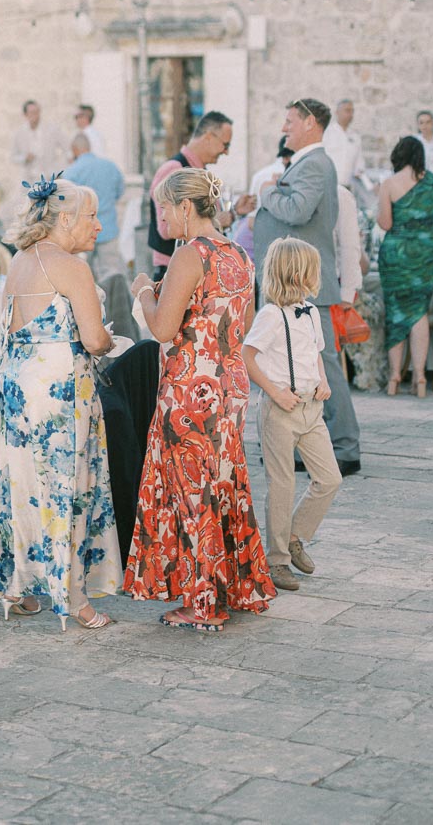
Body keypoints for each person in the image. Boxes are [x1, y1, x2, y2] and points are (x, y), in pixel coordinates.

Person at [0, 175, 122, 630]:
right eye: (92, 217)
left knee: (20, 482)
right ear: (66, 219)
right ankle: (75, 598)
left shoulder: (20, 259)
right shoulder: (71, 267)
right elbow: (94, 340)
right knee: (65, 487)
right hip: (58, 393)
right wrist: (112, 338)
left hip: (19, 384)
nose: (98, 226)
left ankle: (17, 586)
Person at [127, 168, 275, 631]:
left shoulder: (190, 256)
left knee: (191, 492)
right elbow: (241, 326)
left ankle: (202, 603)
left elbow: (163, 329)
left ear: (186, 208)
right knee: (221, 486)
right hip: (229, 387)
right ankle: (230, 587)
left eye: (165, 208)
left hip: (192, 389)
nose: (163, 217)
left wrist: (143, 293)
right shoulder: (239, 256)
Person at [241, 97, 362, 476]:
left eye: (290, 120)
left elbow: (297, 211)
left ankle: (345, 446)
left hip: (306, 284)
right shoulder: (308, 163)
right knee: (291, 363)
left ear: (310, 122)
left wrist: (267, 192)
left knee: (323, 362)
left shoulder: (315, 164)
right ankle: (298, 446)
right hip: (293, 284)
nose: (284, 127)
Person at [242, 239, 342, 593]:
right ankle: (277, 560)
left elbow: (315, 353)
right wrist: (274, 392)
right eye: (313, 269)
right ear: (298, 273)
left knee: (329, 478)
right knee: (282, 485)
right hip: (279, 410)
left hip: (311, 408)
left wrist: (324, 382)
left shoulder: (311, 312)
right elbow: (247, 356)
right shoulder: (270, 315)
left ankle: (295, 535)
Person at [378, 135, 433, 398]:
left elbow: (385, 224)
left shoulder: (389, 184)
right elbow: (432, 215)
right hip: (426, 253)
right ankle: (420, 378)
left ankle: (394, 378)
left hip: (396, 254)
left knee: (396, 312)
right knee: (419, 313)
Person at [148, 110, 234, 279]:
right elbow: (166, 229)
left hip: (194, 268)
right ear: (209, 137)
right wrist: (216, 223)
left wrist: (235, 212)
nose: (226, 152)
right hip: (177, 272)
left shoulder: (198, 171)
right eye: (226, 145)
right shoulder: (174, 170)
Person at [62, 133, 125, 279]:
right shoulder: (110, 166)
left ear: (74, 150)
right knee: (111, 274)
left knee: (82, 275)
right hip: (108, 227)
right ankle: (112, 302)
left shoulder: (72, 171)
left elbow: (66, 202)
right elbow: (120, 191)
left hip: (81, 231)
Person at [10, 100, 64, 187]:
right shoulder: (19, 133)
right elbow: (13, 156)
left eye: (37, 112)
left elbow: (66, 149)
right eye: (32, 112)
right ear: (25, 114)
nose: (35, 115)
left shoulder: (52, 129)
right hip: (29, 179)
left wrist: (58, 170)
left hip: (49, 178)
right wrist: (25, 158)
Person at [323, 99, 368, 191]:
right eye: (347, 111)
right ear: (337, 112)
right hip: (328, 186)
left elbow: (359, 165)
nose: (350, 115)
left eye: (352, 111)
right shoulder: (327, 133)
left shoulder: (355, 136)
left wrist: (369, 185)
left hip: (346, 187)